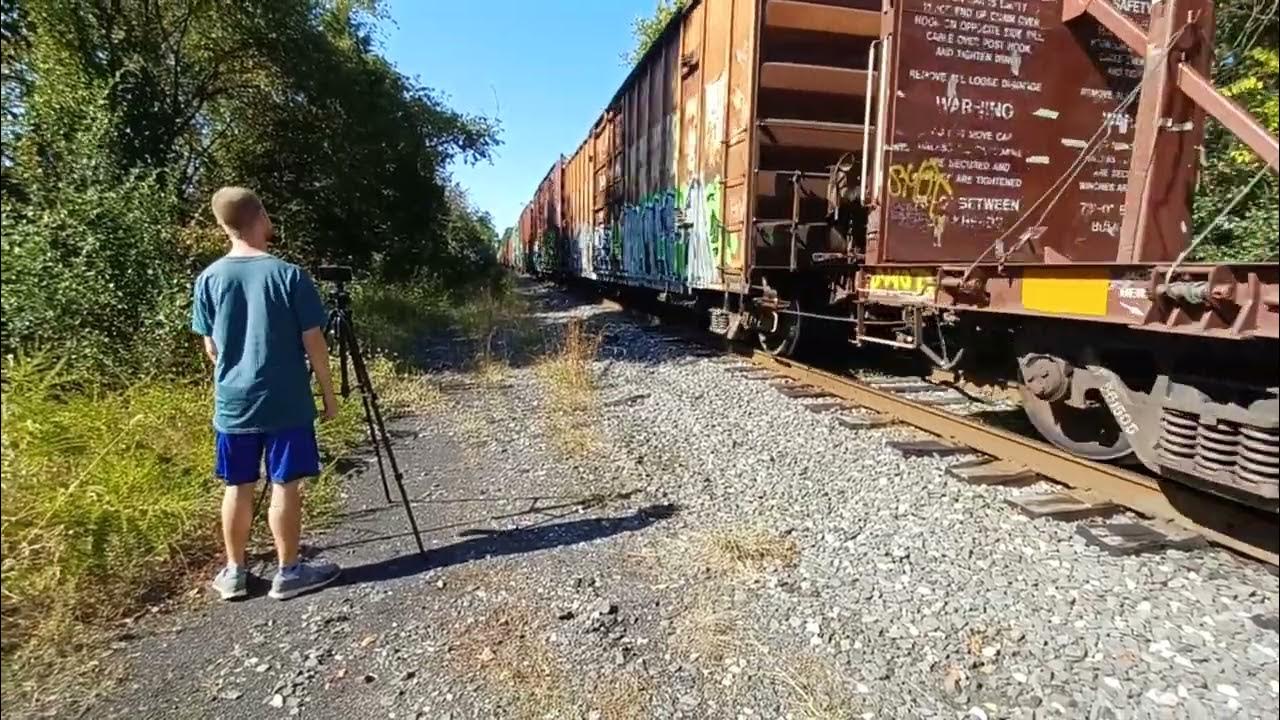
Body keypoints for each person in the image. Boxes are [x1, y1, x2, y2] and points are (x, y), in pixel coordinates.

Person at [192, 186, 341, 601]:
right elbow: (316, 345)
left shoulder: (208, 279)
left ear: (223, 226)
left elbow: (211, 348)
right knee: (284, 485)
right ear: (260, 217)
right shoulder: (289, 275)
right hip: (287, 401)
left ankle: (235, 572)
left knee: (237, 486)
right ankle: (289, 572)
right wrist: (328, 397)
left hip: (233, 404)